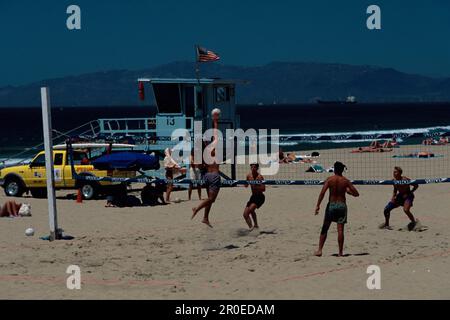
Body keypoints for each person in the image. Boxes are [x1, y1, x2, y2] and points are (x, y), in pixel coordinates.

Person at [314, 161, 359, 257]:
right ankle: (340, 253)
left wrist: (318, 205)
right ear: (342, 170)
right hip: (341, 205)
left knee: (325, 228)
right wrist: (348, 192)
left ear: (334, 169)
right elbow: (356, 194)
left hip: (332, 205)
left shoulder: (330, 179)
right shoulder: (345, 181)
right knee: (340, 230)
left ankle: (319, 250)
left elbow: (322, 193)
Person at [191, 109, 222, 227]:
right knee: (211, 200)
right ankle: (196, 209)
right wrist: (215, 121)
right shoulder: (213, 148)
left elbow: (199, 166)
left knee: (209, 198)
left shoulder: (203, 151)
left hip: (206, 176)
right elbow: (216, 134)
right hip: (214, 176)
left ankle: (205, 218)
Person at [243, 163, 265, 230]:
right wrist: (245, 183)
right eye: (251, 167)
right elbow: (246, 186)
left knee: (251, 210)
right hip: (253, 197)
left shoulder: (260, 177)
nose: (253, 168)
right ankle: (252, 227)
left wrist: (256, 185)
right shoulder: (249, 176)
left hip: (260, 197)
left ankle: (255, 225)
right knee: (245, 214)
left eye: (254, 167)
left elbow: (263, 189)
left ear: (257, 168)